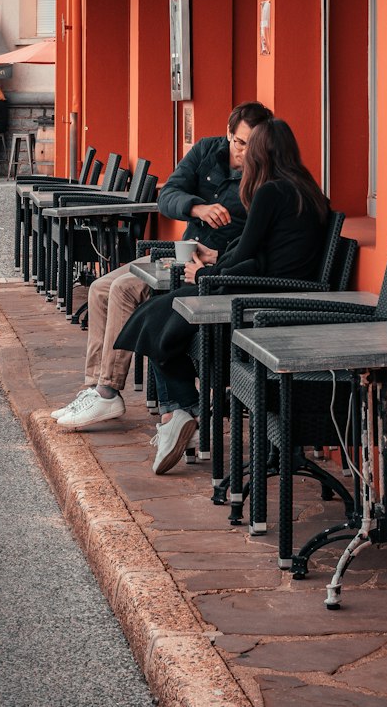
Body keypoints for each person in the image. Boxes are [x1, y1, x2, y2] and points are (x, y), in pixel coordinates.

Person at [116, 117, 330, 474]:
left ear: (261, 154)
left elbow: (249, 251)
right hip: (277, 292)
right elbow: (262, 250)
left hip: (262, 298)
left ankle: (181, 410)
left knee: (158, 316)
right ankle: (178, 413)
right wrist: (216, 261)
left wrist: (205, 273)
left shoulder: (270, 191)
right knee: (161, 314)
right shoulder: (308, 190)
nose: (244, 156)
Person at [52, 101, 274, 432]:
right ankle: (93, 389)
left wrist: (218, 253)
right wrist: (197, 208)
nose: (245, 152)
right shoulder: (205, 151)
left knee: (123, 289)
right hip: (179, 251)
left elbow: (259, 239)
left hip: (214, 264)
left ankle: (108, 390)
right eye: (241, 142)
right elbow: (168, 195)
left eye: (253, 144)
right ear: (229, 133)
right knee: (99, 288)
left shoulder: (265, 174)